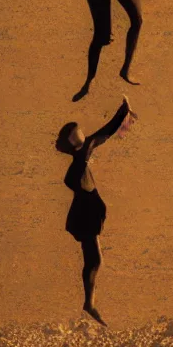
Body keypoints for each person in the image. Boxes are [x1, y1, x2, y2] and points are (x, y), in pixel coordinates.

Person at [56, 94, 137, 327]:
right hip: (86, 212)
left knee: (93, 259)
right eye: (79, 132)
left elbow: (101, 135)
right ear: (76, 141)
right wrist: (123, 112)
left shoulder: (78, 161)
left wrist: (123, 113)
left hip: (85, 209)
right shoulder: (81, 157)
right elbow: (104, 133)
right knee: (94, 260)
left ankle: (89, 303)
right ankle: (89, 304)